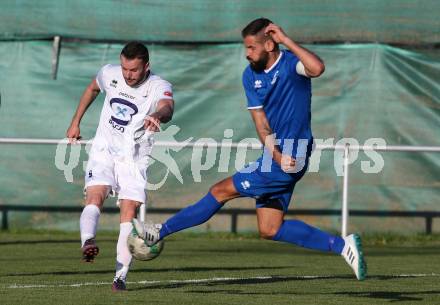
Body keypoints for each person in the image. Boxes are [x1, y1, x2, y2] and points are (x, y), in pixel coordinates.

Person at [137, 18, 367, 280]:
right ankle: (343, 246)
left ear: (270, 44)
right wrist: (276, 155)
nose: (247, 53)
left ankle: (159, 231)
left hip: (295, 151)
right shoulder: (250, 76)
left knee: (220, 191)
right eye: (245, 48)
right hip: (277, 156)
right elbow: (262, 124)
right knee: (270, 228)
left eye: (251, 47)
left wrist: (287, 39)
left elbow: (318, 68)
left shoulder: (292, 64)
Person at [66, 41, 174, 291]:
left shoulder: (159, 86)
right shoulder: (110, 73)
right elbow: (92, 88)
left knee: (128, 212)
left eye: (134, 70)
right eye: (125, 68)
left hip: (134, 156)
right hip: (104, 149)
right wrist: (75, 122)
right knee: (95, 196)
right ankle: (87, 241)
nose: (128, 74)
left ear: (146, 66)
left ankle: (120, 278)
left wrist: (158, 116)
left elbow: (167, 107)